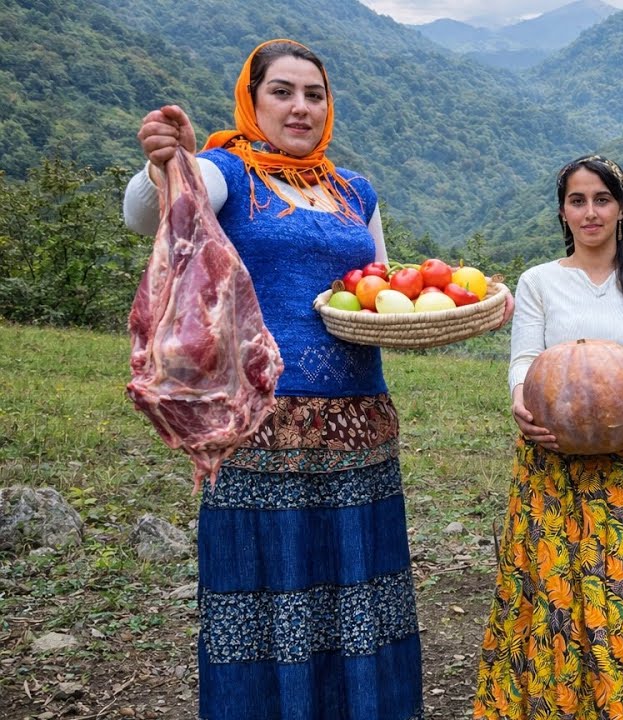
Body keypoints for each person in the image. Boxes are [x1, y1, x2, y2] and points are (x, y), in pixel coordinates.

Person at [124, 39, 427, 720]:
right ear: (252, 99)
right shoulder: (229, 172)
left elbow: (376, 284)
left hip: (359, 425)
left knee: (358, 584)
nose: (300, 107)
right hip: (262, 428)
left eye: (313, 94)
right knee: (269, 583)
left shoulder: (355, 190)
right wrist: (163, 163)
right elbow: (146, 214)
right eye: (282, 91)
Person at [473, 155, 623, 719]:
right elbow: (523, 363)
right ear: (563, 212)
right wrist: (521, 401)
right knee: (551, 596)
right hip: (553, 463)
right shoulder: (539, 281)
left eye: (602, 200)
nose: (590, 212)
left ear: (621, 208)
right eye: (577, 201)